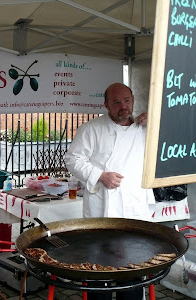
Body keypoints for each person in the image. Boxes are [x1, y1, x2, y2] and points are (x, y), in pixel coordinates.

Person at [65, 83, 155, 300]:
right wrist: (100, 175)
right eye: (116, 102)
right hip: (102, 208)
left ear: (133, 99)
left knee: (133, 271)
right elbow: (72, 159)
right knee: (99, 272)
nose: (122, 106)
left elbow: (170, 146)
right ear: (106, 104)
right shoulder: (92, 129)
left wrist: (157, 124)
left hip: (134, 209)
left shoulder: (146, 127)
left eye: (126, 100)